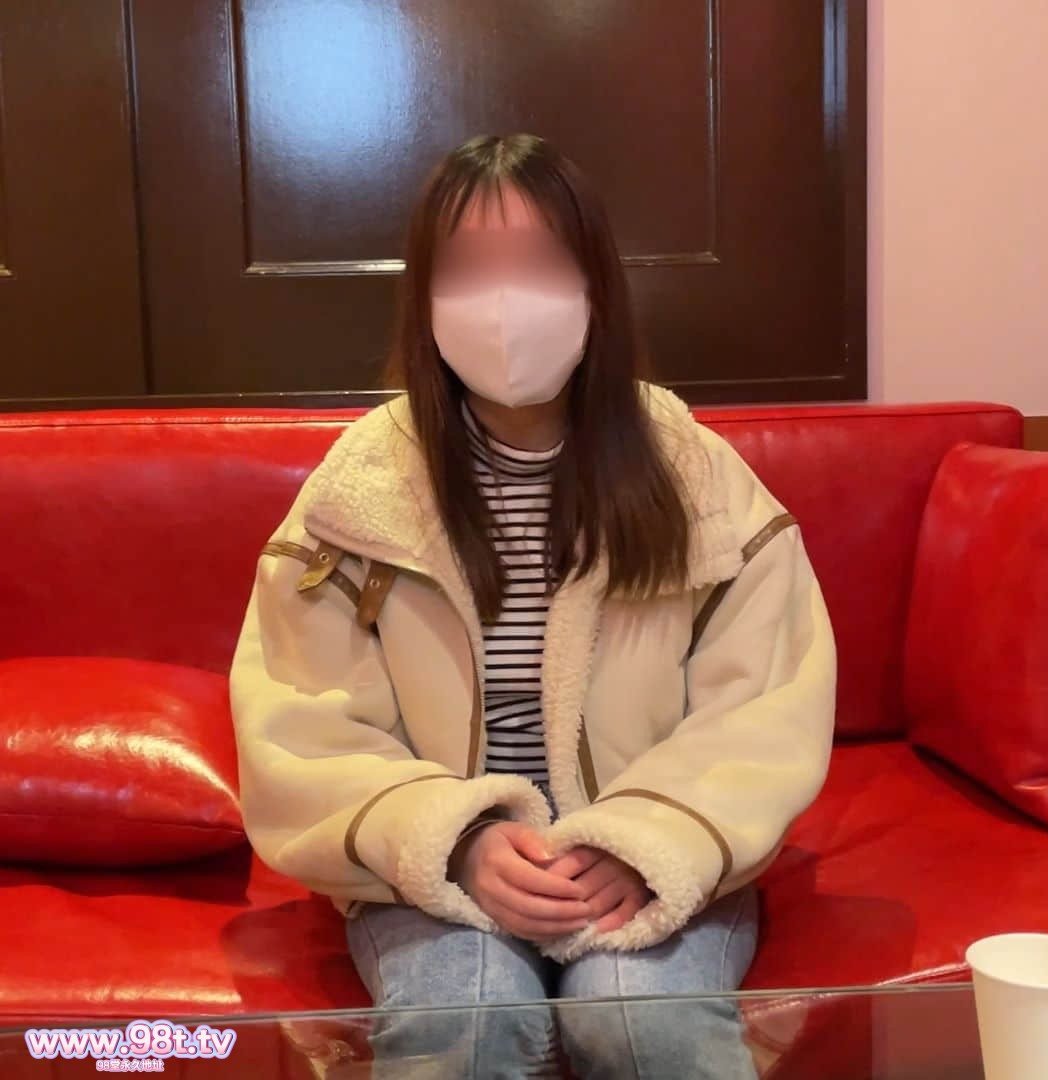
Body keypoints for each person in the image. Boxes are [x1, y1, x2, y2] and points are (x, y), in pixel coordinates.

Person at [229, 133, 837, 1079]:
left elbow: (764, 700)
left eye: (542, 264)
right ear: (425, 298)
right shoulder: (360, 490)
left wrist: (643, 841)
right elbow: (303, 722)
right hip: (437, 866)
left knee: (641, 1023)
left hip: (651, 846)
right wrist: (456, 842)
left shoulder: (694, 474)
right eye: (469, 270)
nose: (506, 303)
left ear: (596, 285)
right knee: (465, 1021)